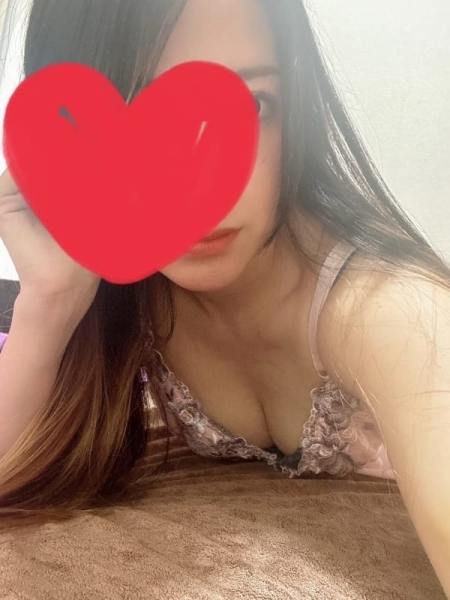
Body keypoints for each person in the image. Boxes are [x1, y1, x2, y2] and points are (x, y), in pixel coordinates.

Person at [0, 0, 449, 595]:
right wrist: (50, 300)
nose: (201, 182)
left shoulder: (386, 308)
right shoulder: (135, 290)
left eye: (251, 105)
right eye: (136, 112)